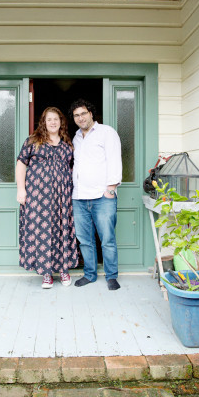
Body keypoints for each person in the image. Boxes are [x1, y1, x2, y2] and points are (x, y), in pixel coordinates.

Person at [16, 107, 78, 289]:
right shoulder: (33, 141)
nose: (53, 122)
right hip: (38, 198)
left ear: (61, 122)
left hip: (63, 197)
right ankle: (46, 273)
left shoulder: (68, 143)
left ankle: (64, 270)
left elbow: (73, 168)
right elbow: (21, 164)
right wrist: (21, 189)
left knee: (62, 230)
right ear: (43, 122)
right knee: (43, 232)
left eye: (56, 119)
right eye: (49, 119)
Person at [70, 99, 122, 290]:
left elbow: (115, 160)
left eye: (83, 113)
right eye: (76, 115)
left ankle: (111, 276)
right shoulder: (75, 137)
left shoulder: (106, 132)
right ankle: (90, 275)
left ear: (91, 113)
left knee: (107, 239)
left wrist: (111, 189)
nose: (80, 118)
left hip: (102, 196)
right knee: (85, 240)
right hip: (79, 197)